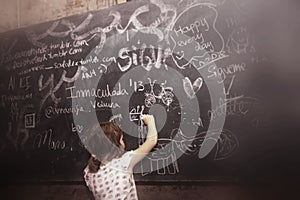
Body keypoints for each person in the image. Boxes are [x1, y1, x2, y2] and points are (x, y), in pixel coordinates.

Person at [83, 115, 158, 200]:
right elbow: (152, 141)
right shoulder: (123, 162)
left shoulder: (88, 172)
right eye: (122, 139)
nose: (123, 142)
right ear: (115, 145)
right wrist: (150, 121)